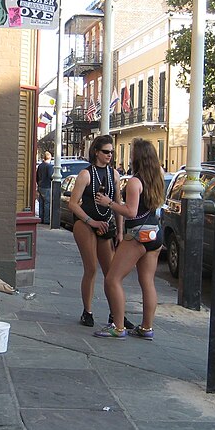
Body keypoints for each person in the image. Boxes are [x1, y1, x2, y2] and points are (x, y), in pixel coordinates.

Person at [93, 138, 164, 339]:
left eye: (132, 152)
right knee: (147, 281)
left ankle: (118, 326)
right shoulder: (157, 177)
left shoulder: (135, 181)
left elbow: (130, 211)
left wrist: (109, 203)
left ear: (138, 157)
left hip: (137, 235)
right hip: (155, 234)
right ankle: (147, 327)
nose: (130, 156)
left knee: (113, 279)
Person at [68, 135, 127, 328]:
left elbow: (118, 204)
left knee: (111, 272)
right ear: (96, 152)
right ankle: (88, 311)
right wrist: (90, 221)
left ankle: (115, 314)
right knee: (91, 268)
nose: (109, 155)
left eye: (111, 152)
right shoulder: (86, 174)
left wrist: (120, 230)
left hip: (105, 223)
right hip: (86, 223)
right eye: (106, 152)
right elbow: (73, 204)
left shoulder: (114, 175)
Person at [36, 151, 54, 224]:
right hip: (47, 186)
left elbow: (36, 176)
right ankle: (46, 220)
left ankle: (41, 218)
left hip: (40, 186)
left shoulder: (40, 165)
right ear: (50, 158)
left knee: (41, 203)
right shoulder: (49, 166)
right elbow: (50, 176)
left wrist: (38, 183)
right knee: (47, 203)